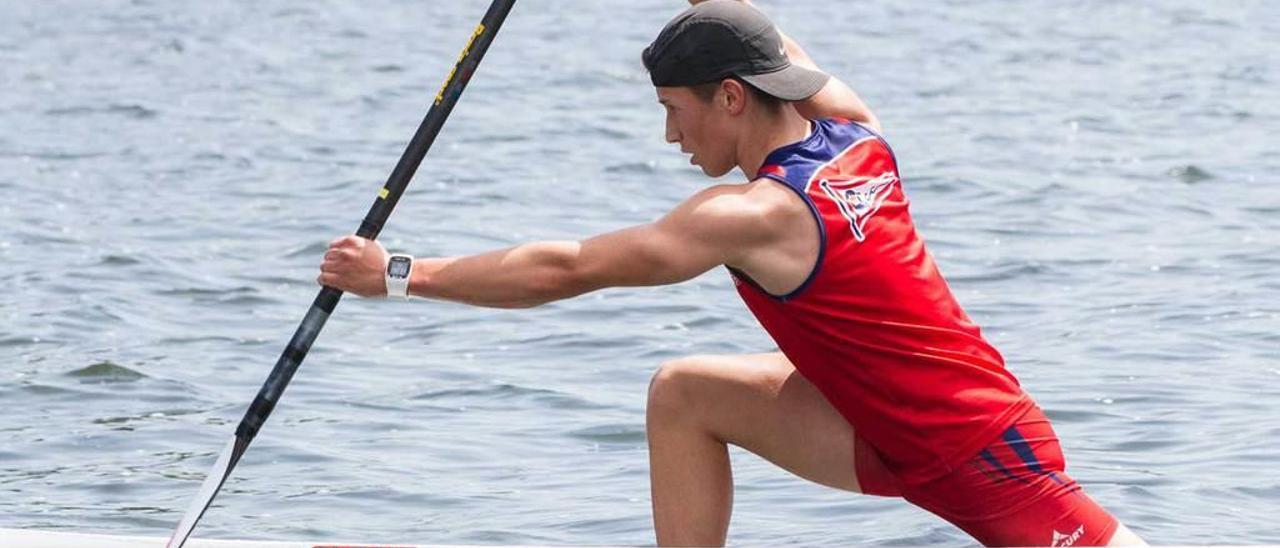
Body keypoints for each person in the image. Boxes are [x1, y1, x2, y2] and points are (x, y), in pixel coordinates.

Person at [318, 0, 1146, 545]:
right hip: (878, 428)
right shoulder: (857, 132)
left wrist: (396, 272)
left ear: (730, 99)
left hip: (979, 450)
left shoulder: (754, 216)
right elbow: (754, 30)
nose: (671, 137)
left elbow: (568, 268)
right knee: (684, 393)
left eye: (673, 111)